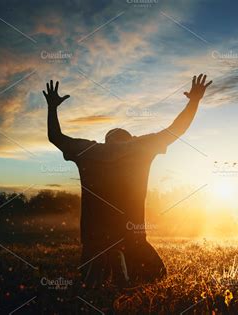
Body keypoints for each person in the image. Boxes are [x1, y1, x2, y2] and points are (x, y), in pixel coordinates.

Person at [43, 74, 212, 286]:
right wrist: (194, 101)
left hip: (94, 238)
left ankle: (103, 259)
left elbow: (55, 136)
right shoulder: (141, 147)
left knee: (94, 280)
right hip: (133, 237)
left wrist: (52, 107)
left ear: (107, 140)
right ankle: (121, 259)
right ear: (129, 138)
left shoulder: (88, 150)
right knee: (157, 276)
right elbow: (176, 129)